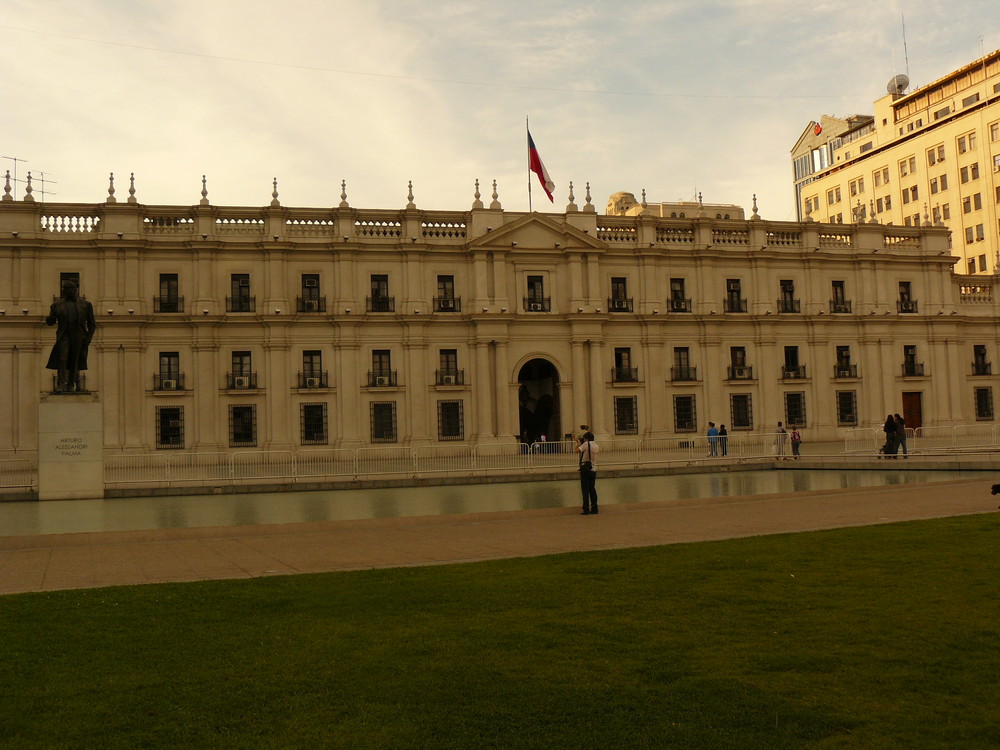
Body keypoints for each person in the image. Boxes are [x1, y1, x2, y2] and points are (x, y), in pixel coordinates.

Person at [45, 279, 97, 393]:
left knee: (75, 360)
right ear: (63, 290)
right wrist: (51, 315)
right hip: (64, 336)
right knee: (62, 359)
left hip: (79, 336)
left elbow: (92, 324)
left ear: (76, 290)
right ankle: (61, 384)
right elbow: (50, 322)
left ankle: (71, 385)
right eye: (67, 288)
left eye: (72, 288)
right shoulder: (57, 305)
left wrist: (88, 339)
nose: (70, 291)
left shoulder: (86, 305)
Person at [576, 431, 599, 515]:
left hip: (585, 470)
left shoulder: (586, 444)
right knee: (592, 489)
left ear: (586, 439)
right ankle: (595, 508)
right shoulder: (596, 446)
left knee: (585, 490)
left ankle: (586, 509)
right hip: (593, 469)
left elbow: (576, 450)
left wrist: (578, 443)